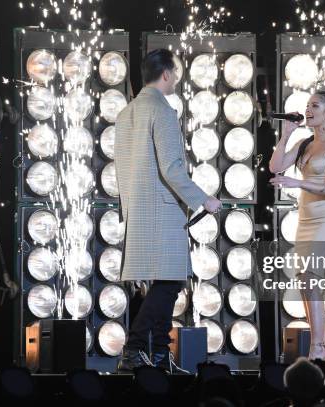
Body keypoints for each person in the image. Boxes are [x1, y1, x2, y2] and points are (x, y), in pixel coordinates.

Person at [114, 48, 222, 373]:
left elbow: (120, 169)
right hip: (162, 211)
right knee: (171, 282)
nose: (175, 79)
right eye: (174, 73)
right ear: (166, 74)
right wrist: (203, 198)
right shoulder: (162, 110)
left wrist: (128, 209)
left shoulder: (126, 113)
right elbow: (172, 167)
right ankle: (134, 350)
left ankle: (159, 354)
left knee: (166, 283)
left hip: (139, 210)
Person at [269, 90, 325, 362]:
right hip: (306, 219)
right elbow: (275, 166)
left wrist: (298, 183)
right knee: (305, 281)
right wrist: (287, 133)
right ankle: (324, 347)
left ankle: (317, 347)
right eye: (307, 106)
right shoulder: (304, 143)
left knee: (312, 277)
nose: (308, 110)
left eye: (315, 106)